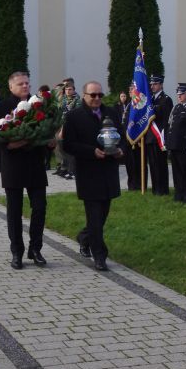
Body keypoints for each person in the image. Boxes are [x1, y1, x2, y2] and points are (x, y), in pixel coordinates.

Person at [62, 81, 124, 271]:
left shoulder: (112, 113)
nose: (97, 98)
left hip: (108, 172)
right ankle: (100, 256)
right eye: (93, 95)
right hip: (88, 172)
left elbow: (122, 137)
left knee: (102, 215)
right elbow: (68, 145)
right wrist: (91, 152)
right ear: (85, 96)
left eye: (100, 95)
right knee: (95, 216)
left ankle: (84, 237)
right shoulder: (74, 116)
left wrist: (121, 151)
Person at [0, 71, 51, 269]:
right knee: (14, 211)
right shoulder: (1, 107)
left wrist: (50, 141)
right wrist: (21, 141)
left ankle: (35, 248)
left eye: (27, 83)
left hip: (35, 164)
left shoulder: (39, 106)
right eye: (20, 84)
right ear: (11, 87)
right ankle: (16, 251)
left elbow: (46, 129)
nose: (25, 86)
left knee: (40, 207)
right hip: (13, 166)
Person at [166, 83, 186, 203]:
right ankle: (179, 193)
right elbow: (171, 127)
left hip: (185, 146)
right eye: (178, 94)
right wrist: (168, 143)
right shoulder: (177, 108)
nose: (179, 96)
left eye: (182, 94)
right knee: (177, 171)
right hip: (175, 145)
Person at [147, 75, 172, 196]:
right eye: (151, 84)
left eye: (155, 84)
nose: (152, 86)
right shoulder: (150, 99)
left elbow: (166, 120)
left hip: (159, 137)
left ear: (161, 84)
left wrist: (164, 137)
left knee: (160, 165)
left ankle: (162, 190)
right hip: (150, 137)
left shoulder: (166, 99)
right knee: (152, 164)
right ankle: (155, 189)